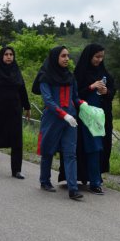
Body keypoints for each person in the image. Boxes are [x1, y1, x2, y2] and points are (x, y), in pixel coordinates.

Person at [37, 46, 85, 199]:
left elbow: (75, 98)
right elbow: (48, 101)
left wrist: (84, 104)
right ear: (55, 57)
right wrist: (64, 115)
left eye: (68, 56)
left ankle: (73, 188)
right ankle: (44, 181)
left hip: (70, 120)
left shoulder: (70, 76)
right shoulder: (45, 76)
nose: (66, 59)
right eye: (63, 56)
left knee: (70, 153)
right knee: (48, 151)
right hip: (53, 119)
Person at [0, 46, 31, 178]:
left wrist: (27, 107)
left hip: (14, 110)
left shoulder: (16, 70)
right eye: (6, 54)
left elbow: (22, 89)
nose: (9, 57)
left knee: (16, 140)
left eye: (11, 54)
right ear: (1, 56)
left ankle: (16, 170)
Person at [72, 44, 115, 194]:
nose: (99, 59)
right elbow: (75, 94)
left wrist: (106, 91)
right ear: (89, 56)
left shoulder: (104, 73)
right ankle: (94, 181)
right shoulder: (80, 73)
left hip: (102, 117)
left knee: (101, 147)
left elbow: (111, 94)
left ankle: (94, 177)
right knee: (92, 147)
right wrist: (91, 87)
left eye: (101, 57)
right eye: (96, 56)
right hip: (86, 117)